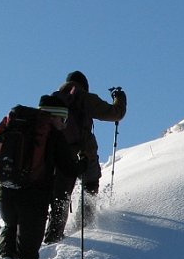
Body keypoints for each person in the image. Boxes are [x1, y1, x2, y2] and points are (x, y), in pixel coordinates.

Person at [0, 95, 87, 259]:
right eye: (63, 119)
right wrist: (83, 165)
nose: (64, 125)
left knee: (10, 224)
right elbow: (68, 168)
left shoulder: (14, 124)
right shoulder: (51, 134)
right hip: (33, 196)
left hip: (4, 190)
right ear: (55, 116)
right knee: (28, 251)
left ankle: (7, 258)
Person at [43, 71, 126, 244]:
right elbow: (115, 113)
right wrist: (120, 98)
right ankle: (86, 223)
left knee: (60, 194)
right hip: (81, 152)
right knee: (90, 183)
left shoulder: (55, 100)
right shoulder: (83, 97)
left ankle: (53, 234)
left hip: (51, 153)